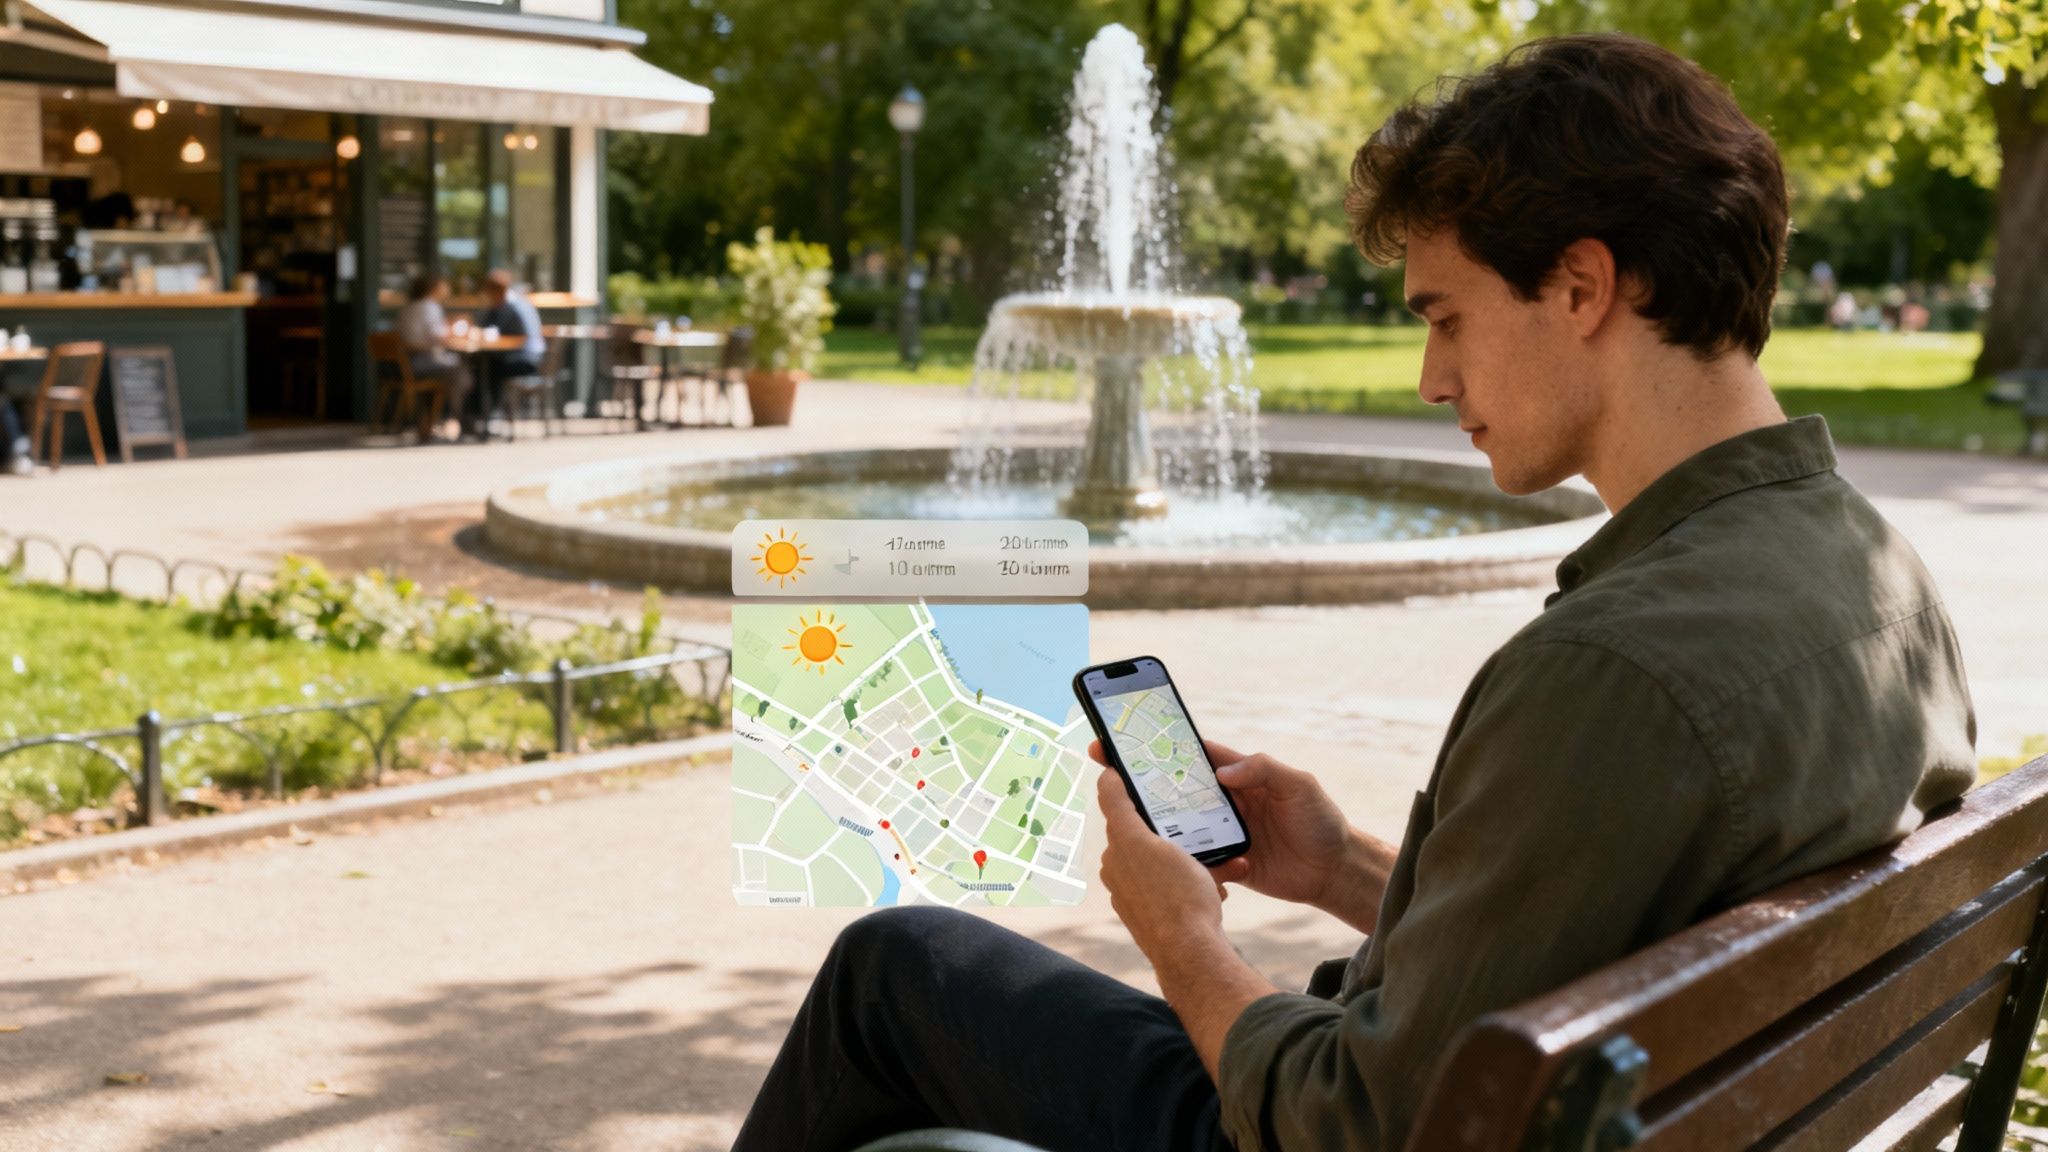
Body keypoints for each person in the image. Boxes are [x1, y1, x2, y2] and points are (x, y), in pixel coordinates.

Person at [732, 33, 1976, 1152]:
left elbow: (1349, 1124)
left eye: (1447, 317)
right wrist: (1342, 872)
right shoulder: (1876, 574)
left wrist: (1184, 940)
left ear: (1581, 286)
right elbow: (1577, 944)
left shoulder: (1609, 670)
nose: (1432, 378)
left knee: (894, 969)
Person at [395, 273, 467, 439]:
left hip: (406, 364)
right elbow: (437, 335)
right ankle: (458, 419)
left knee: (454, 372)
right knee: (462, 375)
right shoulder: (429, 307)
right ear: (433, 288)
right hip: (422, 362)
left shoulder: (409, 307)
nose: (447, 289)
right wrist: (455, 330)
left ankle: (431, 420)